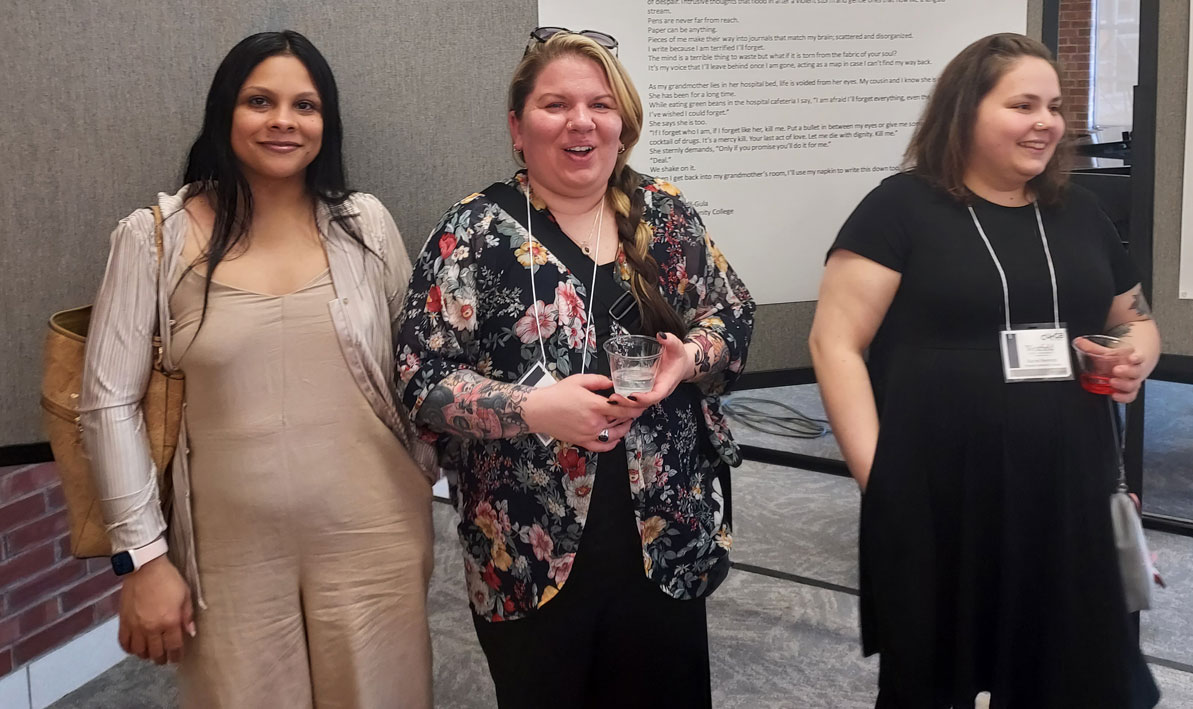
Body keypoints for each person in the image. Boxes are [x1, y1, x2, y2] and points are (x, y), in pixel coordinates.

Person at [395, 28, 754, 708]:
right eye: (555, 104)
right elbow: (421, 378)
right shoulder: (470, 234)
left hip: (663, 539)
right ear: (516, 125)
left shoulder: (665, 218)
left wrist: (689, 357)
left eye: (600, 104)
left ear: (623, 122)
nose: (580, 122)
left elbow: (732, 316)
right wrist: (530, 408)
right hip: (527, 550)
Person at [80, 31, 435, 708]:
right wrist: (143, 558)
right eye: (259, 101)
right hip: (226, 554)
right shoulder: (155, 237)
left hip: (375, 538)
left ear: (325, 124)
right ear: (226, 113)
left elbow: (418, 369)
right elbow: (106, 403)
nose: (282, 120)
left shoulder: (364, 225)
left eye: (305, 105)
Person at [810, 33, 1162, 708]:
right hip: (940, 493)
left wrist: (1136, 350)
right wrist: (878, 477)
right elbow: (834, 344)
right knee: (933, 676)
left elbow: (1134, 317)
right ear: (965, 110)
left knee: (1074, 674)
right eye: (1022, 104)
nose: (1046, 123)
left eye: (1054, 107)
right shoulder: (899, 208)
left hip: (1070, 490)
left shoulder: (1078, 212)